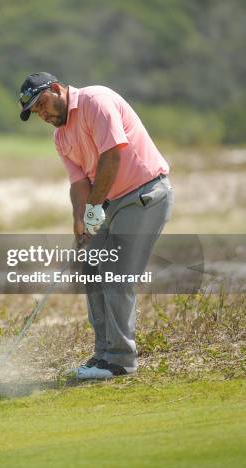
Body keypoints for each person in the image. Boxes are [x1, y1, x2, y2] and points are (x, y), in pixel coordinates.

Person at [18, 72, 174, 379]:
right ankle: (103, 354)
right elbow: (78, 183)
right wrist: (80, 219)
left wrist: (92, 213)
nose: (43, 114)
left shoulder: (96, 101)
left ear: (56, 88)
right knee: (91, 268)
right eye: (36, 111)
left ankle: (120, 361)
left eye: (43, 104)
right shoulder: (60, 137)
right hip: (108, 201)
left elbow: (111, 157)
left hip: (144, 195)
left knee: (115, 273)